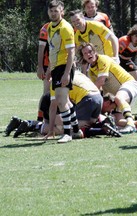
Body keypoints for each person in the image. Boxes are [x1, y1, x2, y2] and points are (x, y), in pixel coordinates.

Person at [78, 42, 137, 134]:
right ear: (83, 57)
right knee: (117, 122)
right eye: (85, 53)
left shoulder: (102, 59)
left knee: (119, 98)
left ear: (95, 52)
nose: (88, 54)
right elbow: (97, 92)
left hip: (130, 84)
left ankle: (130, 125)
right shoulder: (91, 71)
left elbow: (100, 82)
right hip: (118, 96)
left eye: (90, 51)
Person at [45, 0, 82, 143]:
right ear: (48, 12)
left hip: (64, 66)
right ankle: (77, 130)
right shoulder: (49, 27)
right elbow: (52, 49)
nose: (54, 14)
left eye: (56, 11)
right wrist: (49, 69)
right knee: (66, 101)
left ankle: (68, 133)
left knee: (61, 101)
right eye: (51, 11)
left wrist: (67, 72)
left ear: (62, 12)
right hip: (55, 68)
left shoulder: (65, 27)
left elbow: (71, 51)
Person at [69, 9, 119, 74]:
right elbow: (82, 55)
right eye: (73, 21)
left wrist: (115, 57)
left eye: (78, 20)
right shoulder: (77, 36)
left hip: (110, 60)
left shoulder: (95, 26)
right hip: (97, 64)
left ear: (83, 18)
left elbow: (113, 38)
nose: (76, 23)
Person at [36, 22, 50, 122]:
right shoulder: (46, 27)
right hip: (47, 65)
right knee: (46, 93)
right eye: (52, 11)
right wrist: (40, 66)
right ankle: (40, 119)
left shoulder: (67, 26)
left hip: (62, 64)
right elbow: (41, 49)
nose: (54, 13)